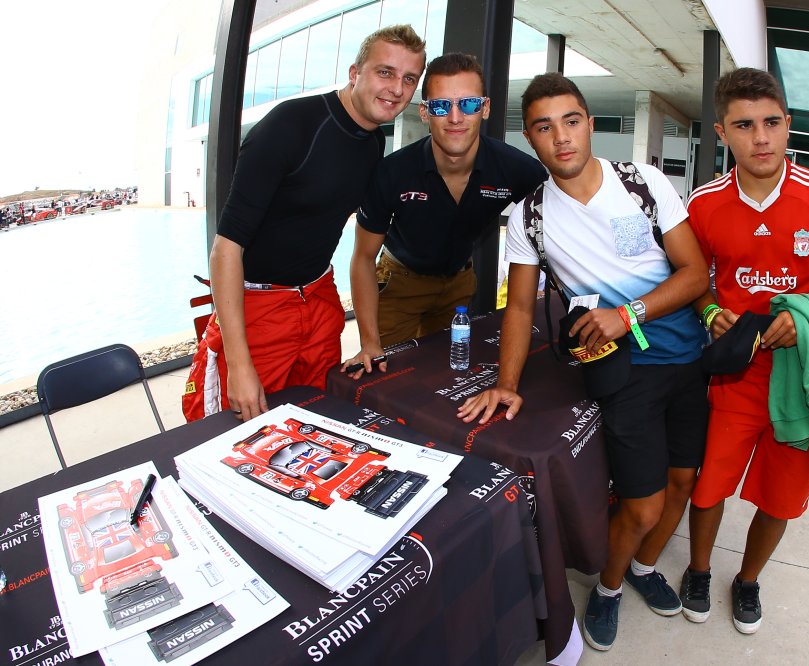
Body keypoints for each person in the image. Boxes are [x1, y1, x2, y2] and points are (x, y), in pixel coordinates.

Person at [456, 72, 710, 652]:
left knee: (682, 481)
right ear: (530, 139)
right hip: (625, 372)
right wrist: (507, 383)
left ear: (590, 125)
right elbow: (521, 307)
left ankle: (644, 568)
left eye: (571, 121)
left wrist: (629, 312)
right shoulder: (530, 217)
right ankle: (610, 587)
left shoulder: (643, 183)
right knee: (642, 505)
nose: (561, 137)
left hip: (689, 358)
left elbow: (696, 273)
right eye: (544, 128)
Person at [681, 67, 809, 635]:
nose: (760, 138)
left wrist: (808, 317)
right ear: (722, 133)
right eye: (744, 126)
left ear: (787, 124)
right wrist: (710, 312)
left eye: (771, 123)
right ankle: (697, 571)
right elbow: (694, 280)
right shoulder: (703, 204)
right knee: (710, 486)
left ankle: (748, 580)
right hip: (735, 376)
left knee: (781, 498)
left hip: (803, 376)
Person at [182, 25, 427, 422]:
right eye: (385, 72)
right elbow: (225, 248)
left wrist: (369, 340)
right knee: (237, 433)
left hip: (319, 298)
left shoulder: (373, 141)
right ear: (355, 73)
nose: (397, 89)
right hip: (259, 308)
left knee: (317, 419)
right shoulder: (290, 124)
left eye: (409, 78)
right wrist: (240, 365)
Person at [341, 52, 547, 377]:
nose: (455, 117)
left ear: (485, 108)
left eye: (468, 104)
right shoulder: (393, 172)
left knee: (448, 378)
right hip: (400, 283)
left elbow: (559, 220)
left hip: (459, 285)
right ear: (424, 112)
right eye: (440, 106)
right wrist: (368, 341)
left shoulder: (516, 169)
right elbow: (363, 258)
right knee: (388, 379)